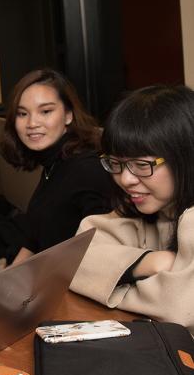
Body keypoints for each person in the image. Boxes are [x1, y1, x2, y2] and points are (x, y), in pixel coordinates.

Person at [71, 84, 194, 334]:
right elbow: (76, 256)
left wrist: (110, 283)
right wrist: (147, 263)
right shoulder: (153, 206)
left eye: (141, 164)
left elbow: (178, 309)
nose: (126, 179)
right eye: (116, 163)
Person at [0, 69, 113, 263]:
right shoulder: (55, 163)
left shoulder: (87, 169)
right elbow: (34, 239)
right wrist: (5, 280)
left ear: (68, 115)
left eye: (45, 111)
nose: (32, 123)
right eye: (22, 113)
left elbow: (103, 254)